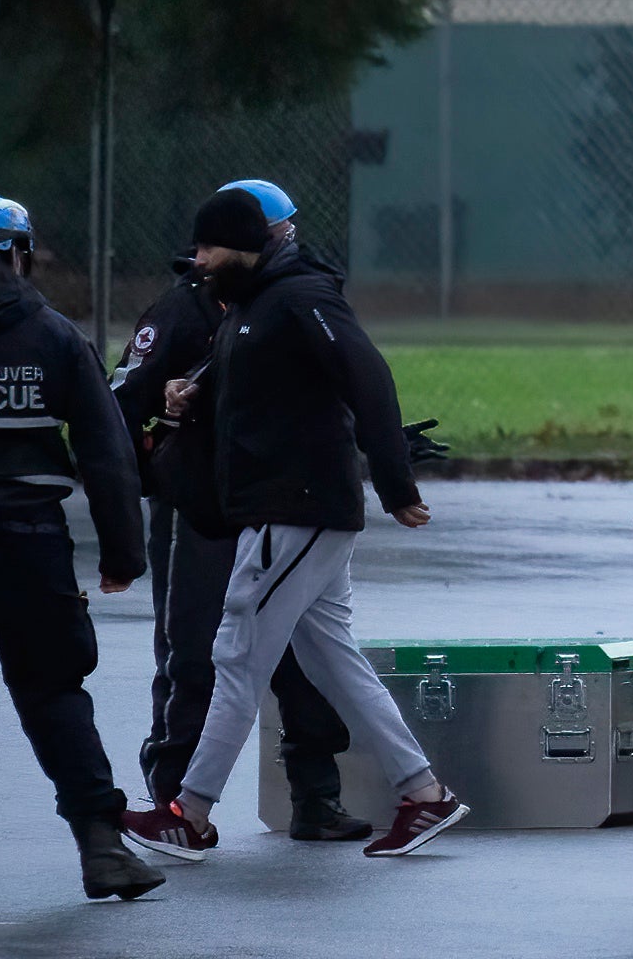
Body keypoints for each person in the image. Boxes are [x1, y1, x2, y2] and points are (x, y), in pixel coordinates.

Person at [120, 187, 465, 865]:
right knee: (331, 657)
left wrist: (395, 484)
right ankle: (424, 794)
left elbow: (366, 377)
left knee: (236, 656)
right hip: (289, 511)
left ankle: (188, 813)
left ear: (248, 246)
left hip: (297, 509)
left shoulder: (301, 296)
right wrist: (190, 389)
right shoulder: (253, 305)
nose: (199, 261)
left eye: (209, 248)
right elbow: (251, 378)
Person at [110, 178, 360, 839]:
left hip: (279, 503)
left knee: (305, 656)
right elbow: (122, 400)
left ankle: (316, 795)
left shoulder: (301, 299)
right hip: (198, 511)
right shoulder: (183, 310)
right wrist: (150, 477)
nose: (281, 245)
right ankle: (172, 800)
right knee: (192, 650)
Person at [0, 192, 162, 901]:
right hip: (28, 541)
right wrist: (122, 556)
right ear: (16, 253)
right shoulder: (53, 334)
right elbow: (107, 455)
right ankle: (103, 851)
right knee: (53, 694)